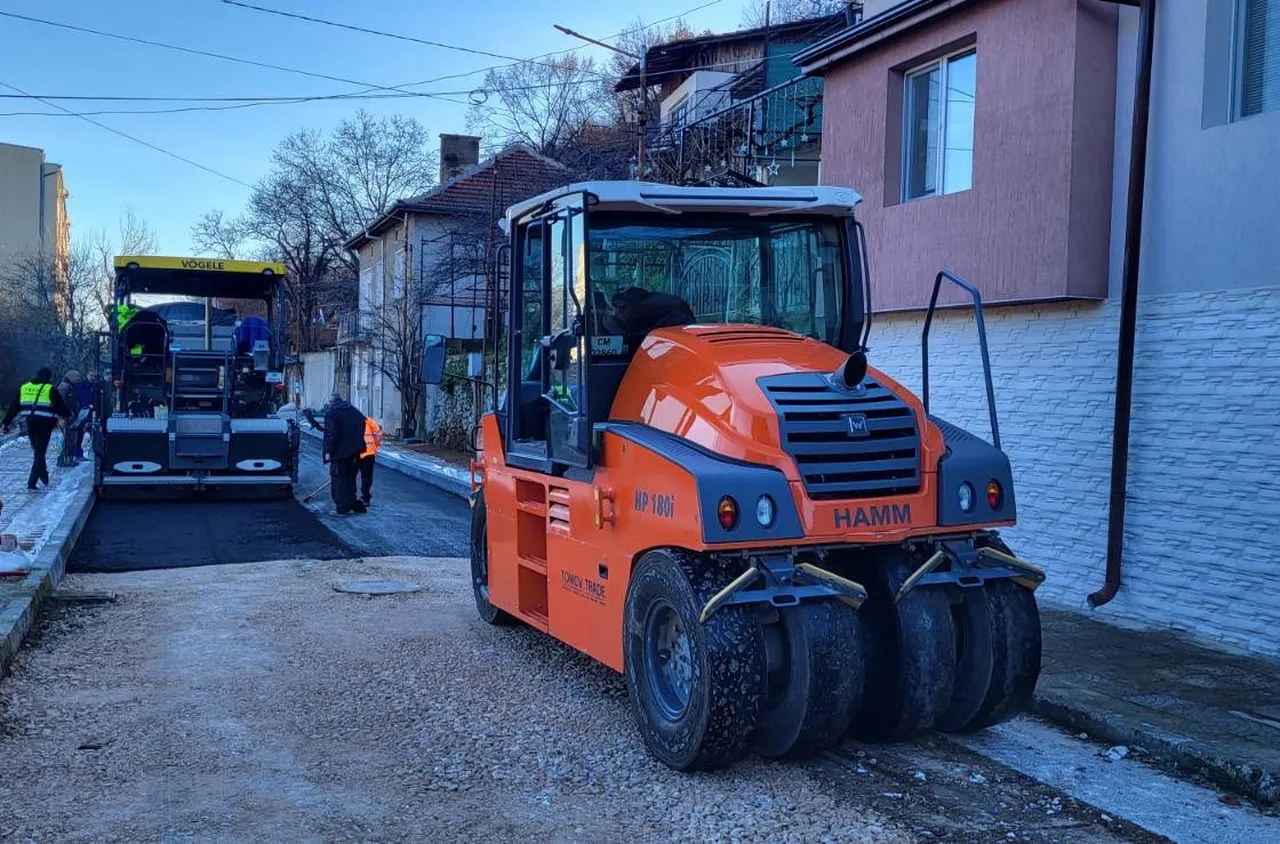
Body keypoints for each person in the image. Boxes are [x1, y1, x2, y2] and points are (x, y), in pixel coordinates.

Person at [1, 367, 73, 491]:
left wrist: (6, 423)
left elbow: (14, 407)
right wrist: (68, 414)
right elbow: (60, 407)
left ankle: (42, 474)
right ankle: (33, 481)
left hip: (30, 422)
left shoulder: (24, 387)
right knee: (40, 452)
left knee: (38, 450)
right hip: (45, 424)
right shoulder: (50, 389)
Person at [323, 391, 367, 516]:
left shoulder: (332, 413)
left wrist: (328, 451)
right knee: (350, 479)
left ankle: (342, 509)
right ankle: (350, 503)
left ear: (332, 402)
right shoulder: (354, 411)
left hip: (340, 454)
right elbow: (362, 423)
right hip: (355, 452)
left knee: (339, 480)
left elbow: (332, 434)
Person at [55, 371, 82, 467]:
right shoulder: (64, 387)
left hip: (70, 417)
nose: (78, 379)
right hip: (65, 417)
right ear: (71, 377)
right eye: (76, 377)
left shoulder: (71, 386)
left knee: (70, 438)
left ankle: (67, 458)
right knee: (66, 439)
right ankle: (63, 459)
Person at [359, 415, 384, 507]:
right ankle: (366, 498)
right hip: (369, 453)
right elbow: (378, 433)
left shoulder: (347, 419)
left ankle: (349, 498)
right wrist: (375, 446)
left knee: (349, 476)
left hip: (353, 453)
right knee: (367, 477)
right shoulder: (367, 420)